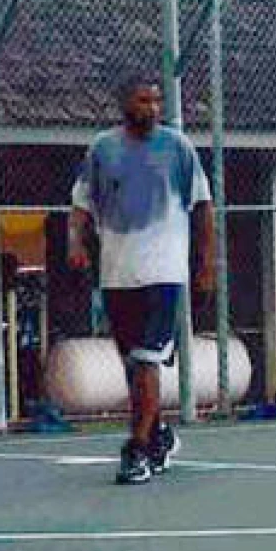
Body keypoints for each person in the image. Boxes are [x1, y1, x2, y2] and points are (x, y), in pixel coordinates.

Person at [68, 73, 215, 485]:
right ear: (124, 104)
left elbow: (203, 208)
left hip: (164, 274)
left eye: (156, 101)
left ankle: (135, 450)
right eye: (143, 100)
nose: (151, 108)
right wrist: (75, 244)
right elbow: (80, 205)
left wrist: (206, 265)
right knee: (134, 365)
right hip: (117, 277)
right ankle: (157, 435)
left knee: (148, 359)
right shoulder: (103, 148)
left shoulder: (178, 148)